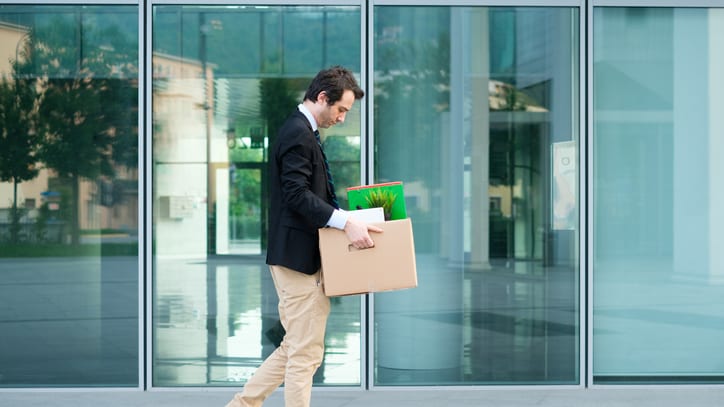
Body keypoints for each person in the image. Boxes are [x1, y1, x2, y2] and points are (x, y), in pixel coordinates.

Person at [225, 66, 382, 407]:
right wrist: (344, 222)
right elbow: (296, 195)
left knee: (295, 347)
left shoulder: (302, 131)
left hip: (296, 257)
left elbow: (307, 195)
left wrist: (348, 217)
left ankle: (241, 405)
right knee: (305, 355)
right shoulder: (298, 133)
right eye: (341, 109)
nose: (342, 118)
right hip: (299, 260)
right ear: (322, 98)